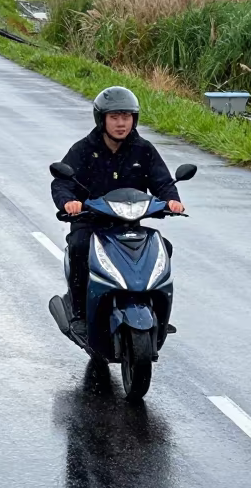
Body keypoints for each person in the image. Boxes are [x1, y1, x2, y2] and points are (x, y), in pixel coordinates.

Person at [51, 86, 184, 325]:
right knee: (80, 248)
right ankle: (80, 311)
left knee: (164, 247)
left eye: (126, 117)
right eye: (114, 117)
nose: (121, 123)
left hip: (129, 223)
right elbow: (62, 183)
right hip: (90, 223)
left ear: (134, 119)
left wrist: (173, 200)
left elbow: (162, 181)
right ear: (102, 119)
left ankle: (157, 309)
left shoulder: (143, 150)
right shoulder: (84, 149)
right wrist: (69, 202)